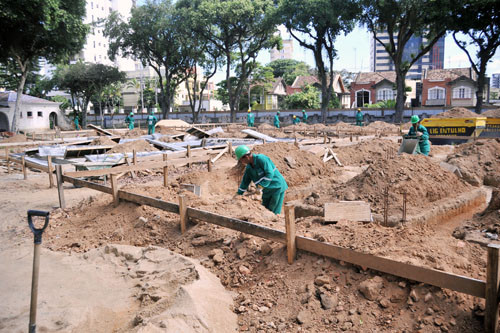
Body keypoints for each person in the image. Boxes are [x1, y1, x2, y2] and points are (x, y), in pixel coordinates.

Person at [235, 145, 288, 215]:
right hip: (266, 190)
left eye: (241, 160)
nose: (241, 162)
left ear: (246, 156)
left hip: (276, 187)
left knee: (274, 211)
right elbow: (245, 182)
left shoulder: (261, 159)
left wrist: (260, 187)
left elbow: (269, 173)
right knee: (265, 209)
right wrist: (239, 193)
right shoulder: (249, 168)